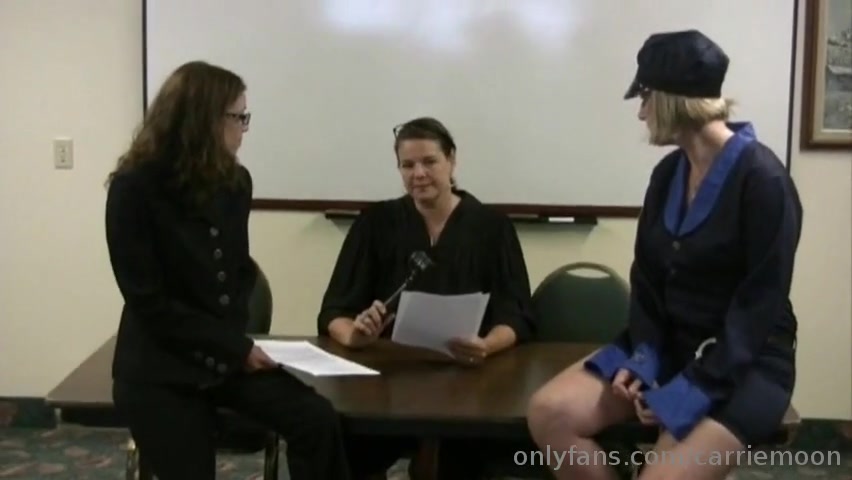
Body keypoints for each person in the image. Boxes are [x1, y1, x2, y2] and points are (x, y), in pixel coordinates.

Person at [526, 30, 802, 480]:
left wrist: (687, 391)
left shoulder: (764, 181)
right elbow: (648, 283)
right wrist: (644, 361)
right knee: (548, 413)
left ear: (673, 100)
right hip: (667, 344)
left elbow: (759, 307)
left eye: (645, 97)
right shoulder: (668, 173)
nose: (641, 112)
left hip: (742, 361)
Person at [104, 61, 351, 480]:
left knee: (316, 419)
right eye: (238, 117)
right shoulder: (134, 187)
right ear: (203, 119)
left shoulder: (235, 181)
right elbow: (149, 302)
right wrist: (233, 348)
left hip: (224, 360)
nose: (244, 128)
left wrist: (236, 350)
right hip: (160, 369)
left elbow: (237, 274)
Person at [317, 116, 537, 479]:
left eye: (429, 162)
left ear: (452, 161)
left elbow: (517, 314)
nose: (418, 174)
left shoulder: (491, 227)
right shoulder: (375, 223)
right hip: (387, 379)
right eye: (407, 165)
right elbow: (334, 310)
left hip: (470, 379)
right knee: (338, 443)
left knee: (462, 459)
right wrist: (354, 335)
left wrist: (486, 345)